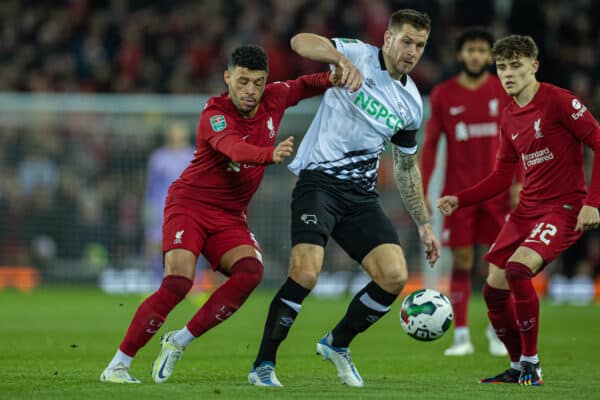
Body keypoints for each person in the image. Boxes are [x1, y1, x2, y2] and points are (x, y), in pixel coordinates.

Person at [100, 44, 358, 384]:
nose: (250, 90)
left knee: (250, 272)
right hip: (190, 205)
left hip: (230, 215)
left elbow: (303, 85)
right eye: (243, 81)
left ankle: (179, 341)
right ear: (228, 78)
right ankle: (118, 365)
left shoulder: (274, 97)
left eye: (258, 82)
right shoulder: (215, 113)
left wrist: (334, 77)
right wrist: (269, 154)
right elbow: (233, 147)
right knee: (178, 282)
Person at [249, 9, 440, 388]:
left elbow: (405, 166)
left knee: (394, 275)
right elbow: (299, 41)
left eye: (420, 45)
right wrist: (337, 59)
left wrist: (423, 223)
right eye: (406, 41)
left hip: (360, 198)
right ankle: (263, 365)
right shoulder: (357, 54)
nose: (412, 51)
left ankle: (338, 343)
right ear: (387, 39)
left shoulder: (412, 104)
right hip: (318, 183)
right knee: (305, 272)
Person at [437, 34, 600, 386]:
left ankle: (531, 363)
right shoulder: (510, 116)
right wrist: (460, 198)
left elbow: (598, 141)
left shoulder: (559, 101)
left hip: (563, 207)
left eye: (516, 66)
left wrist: (592, 203)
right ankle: (516, 366)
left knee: (517, 270)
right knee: (492, 291)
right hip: (526, 210)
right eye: (502, 67)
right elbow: (500, 177)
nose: (508, 73)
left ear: (533, 66)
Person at [420, 28, 513, 357]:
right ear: (460, 55)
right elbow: (430, 146)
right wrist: (422, 187)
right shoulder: (444, 94)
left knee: (500, 264)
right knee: (461, 260)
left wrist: (520, 184)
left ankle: (496, 331)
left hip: (497, 193)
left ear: (490, 56)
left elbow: (520, 140)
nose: (476, 55)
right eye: (470, 50)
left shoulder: (502, 92)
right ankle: (461, 335)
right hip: (457, 196)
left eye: (481, 50)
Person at [143, 121, 195, 282]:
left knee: (189, 244)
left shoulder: (193, 155)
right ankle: (154, 280)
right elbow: (151, 185)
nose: (177, 134)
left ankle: (191, 282)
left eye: (180, 131)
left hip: (187, 207)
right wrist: (148, 206)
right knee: (155, 244)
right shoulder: (158, 157)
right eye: (174, 131)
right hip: (161, 206)